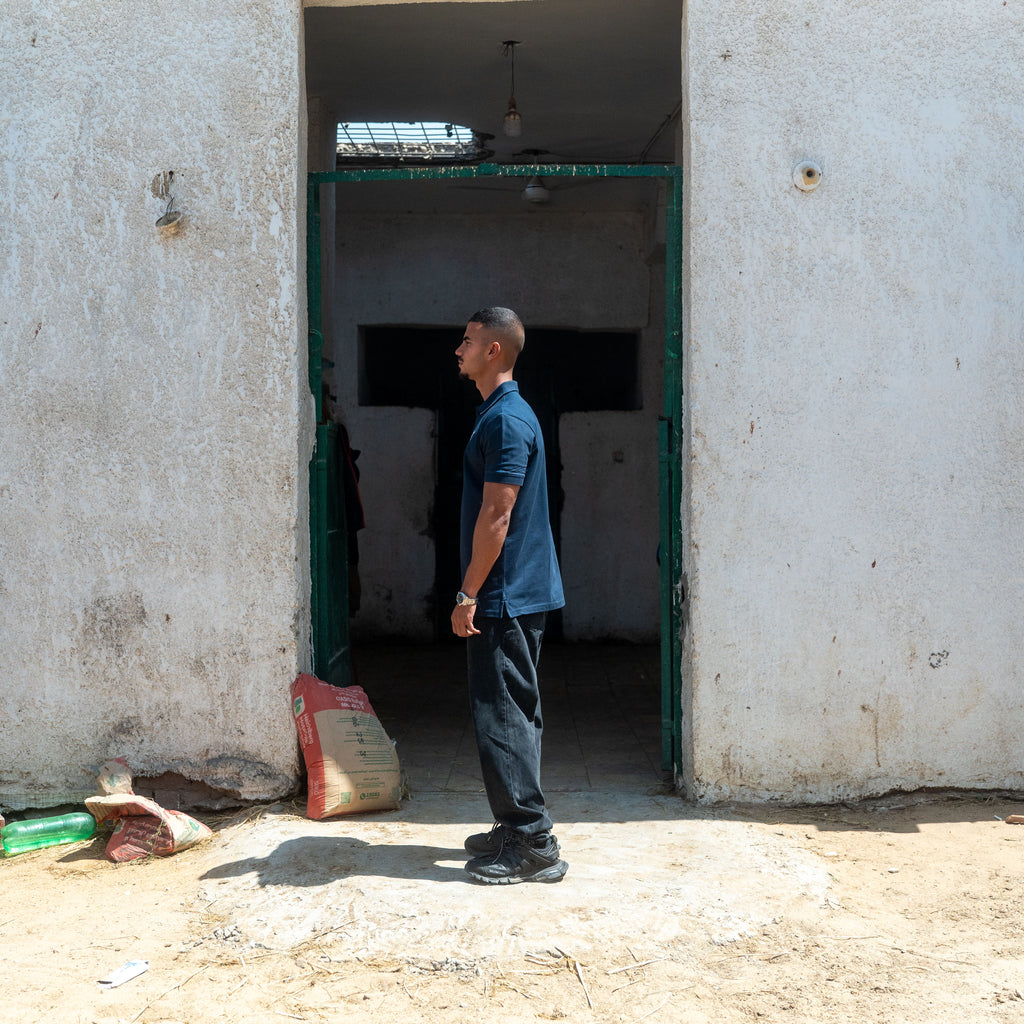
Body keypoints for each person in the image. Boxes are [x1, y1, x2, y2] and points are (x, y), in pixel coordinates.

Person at [451, 307, 568, 885]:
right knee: (512, 711)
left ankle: (532, 841)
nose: (459, 350)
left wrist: (468, 592)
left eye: (468, 341)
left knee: (502, 715)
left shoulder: (505, 421)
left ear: (494, 350)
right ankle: (516, 826)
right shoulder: (501, 414)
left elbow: (497, 517)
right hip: (515, 591)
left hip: (504, 594)